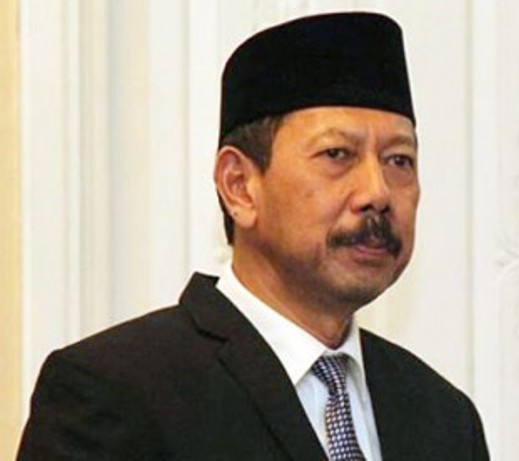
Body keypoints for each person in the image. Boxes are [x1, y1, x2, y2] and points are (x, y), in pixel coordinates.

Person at [18, 12, 490, 460]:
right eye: (337, 154)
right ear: (239, 186)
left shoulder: (443, 417)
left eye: (399, 161)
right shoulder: (115, 393)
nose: (378, 192)